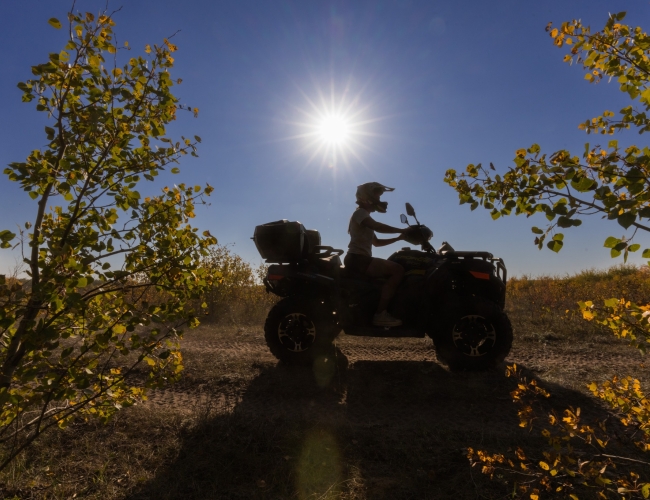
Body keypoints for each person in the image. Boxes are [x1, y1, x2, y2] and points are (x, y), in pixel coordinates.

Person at [345, 182, 409, 327]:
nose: (379, 200)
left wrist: (398, 238)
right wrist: (402, 230)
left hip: (360, 258)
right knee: (398, 270)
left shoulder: (364, 216)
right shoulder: (360, 213)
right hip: (358, 258)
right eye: (377, 195)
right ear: (366, 197)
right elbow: (377, 227)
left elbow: (377, 243)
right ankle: (380, 313)